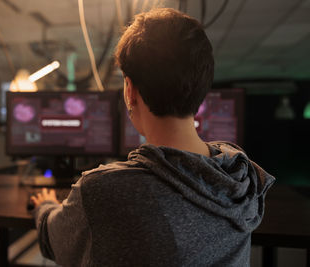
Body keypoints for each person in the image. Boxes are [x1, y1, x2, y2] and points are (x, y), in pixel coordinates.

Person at [31, 8, 275, 267]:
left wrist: (44, 206)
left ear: (130, 91)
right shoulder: (241, 178)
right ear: (202, 88)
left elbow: (53, 240)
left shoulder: (102, 190)